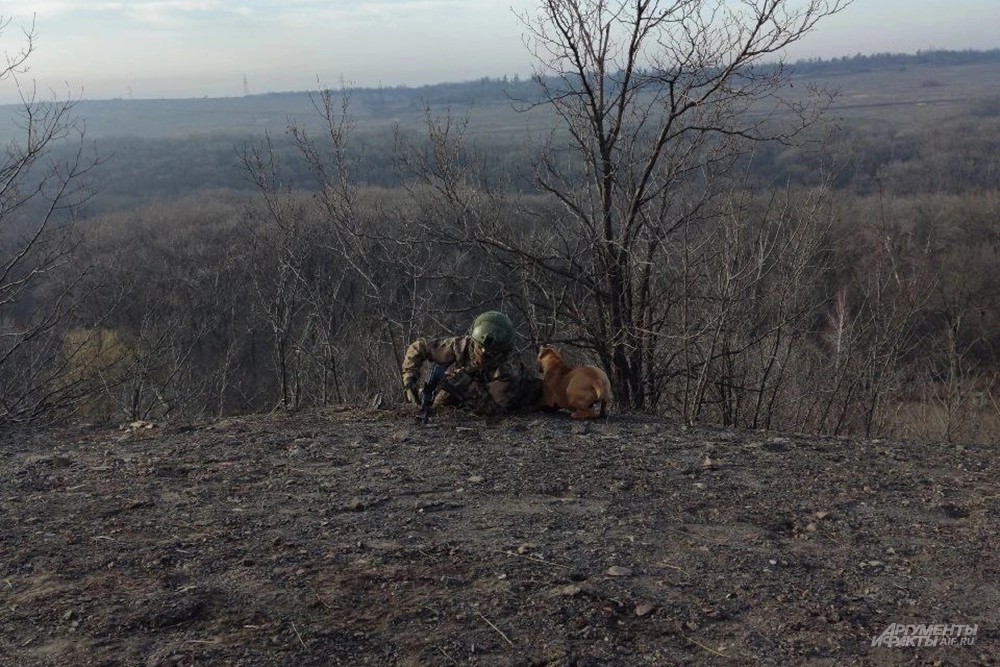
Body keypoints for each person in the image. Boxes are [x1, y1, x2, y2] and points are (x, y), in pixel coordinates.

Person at [401, 311, 540, 414]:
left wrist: (468, 384)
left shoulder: (508, 369)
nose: (484, 352)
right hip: (470, 393)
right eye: (480, 347)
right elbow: (419, 348)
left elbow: (496, 409)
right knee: (439, 401)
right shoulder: (463, 346)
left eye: (491, 351)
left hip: (509, 400)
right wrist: (409, 378)